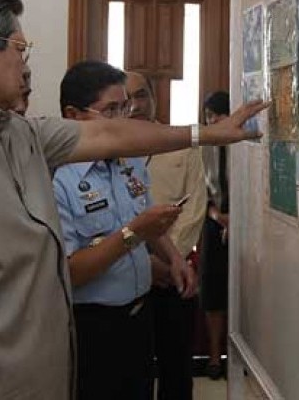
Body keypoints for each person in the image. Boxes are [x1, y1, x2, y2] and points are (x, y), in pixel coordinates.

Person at [0, 0, 266, 400]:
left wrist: (208, 133)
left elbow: (108, 133)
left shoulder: (10, 131)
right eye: (20, 48)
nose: (24, 65)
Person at [54, 61, 196, 400]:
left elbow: (146, 217)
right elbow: (71, 271)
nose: (124, 120)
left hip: (140, 316)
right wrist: (133, 233)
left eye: (126, 108)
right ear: (73, 115)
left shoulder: (127, 160)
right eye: (111, 110)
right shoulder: (59, 177)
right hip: (94, 326)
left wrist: (173, 257)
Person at [126, 71, 207, 400]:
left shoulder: (180, 144)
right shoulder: (110, 150)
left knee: (177, 368)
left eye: (141, 95)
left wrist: (170, 259)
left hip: (174, 276)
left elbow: (195, 208)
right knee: (134, 369)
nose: (135, 105)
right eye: (127, 98)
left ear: (154, 97)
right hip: (128, 276)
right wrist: (145, 262)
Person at [200, 91, 232, 379]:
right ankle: (213, 357)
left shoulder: (244, 145)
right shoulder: (203, 147)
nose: (213, 121)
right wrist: (218, 217)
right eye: (208, 117)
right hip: (212, 223)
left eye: (218, 115)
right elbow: (198, 193)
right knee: (212, 292)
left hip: (244, 225)